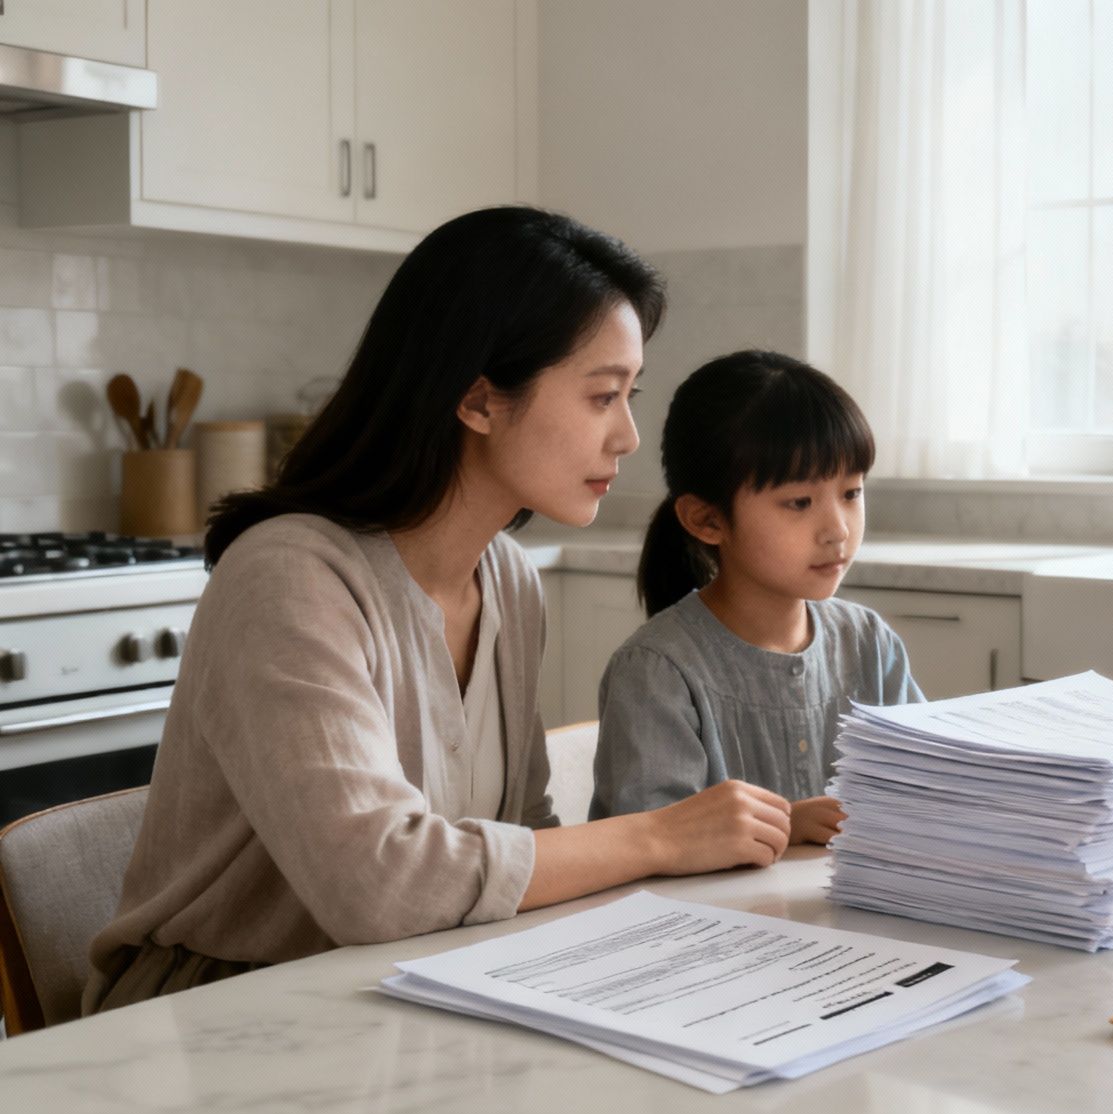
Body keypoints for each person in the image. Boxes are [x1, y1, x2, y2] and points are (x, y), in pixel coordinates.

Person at [85, 207, 796, 1015]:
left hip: (415, 983)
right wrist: (662, 837)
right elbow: (375, 883)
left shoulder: (508, 580)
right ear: (479, 399)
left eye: (631, 394)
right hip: (219, 1020)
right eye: (603, 397)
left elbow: (519, 833)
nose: (629, 436)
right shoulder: (289, 578)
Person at [587, 350, 921, 845]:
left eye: (851, 493)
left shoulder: (870, 643)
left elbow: (924, 791)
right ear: (707, 520)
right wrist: (787, 824)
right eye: (800, 502)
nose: (837, 530)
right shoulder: (656, 673)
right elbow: (650, 852)